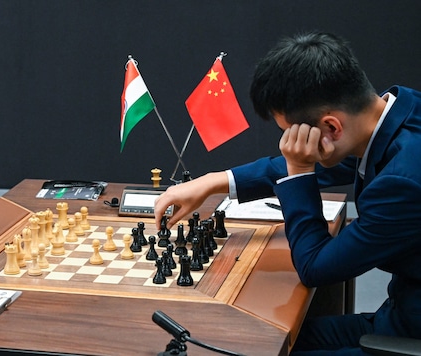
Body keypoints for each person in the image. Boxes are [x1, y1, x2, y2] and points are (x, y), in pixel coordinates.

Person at [155, 31, 421, 354]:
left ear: (331, 128)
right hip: (398, 317)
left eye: (291, 136)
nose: (289, 147)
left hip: (407, 338)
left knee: (250, 350)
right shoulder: (400, 114)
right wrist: (213, 181)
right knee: (251, 341)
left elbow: (314, 267)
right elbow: (313, 163)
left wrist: (299, 169)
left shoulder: (402, 183)